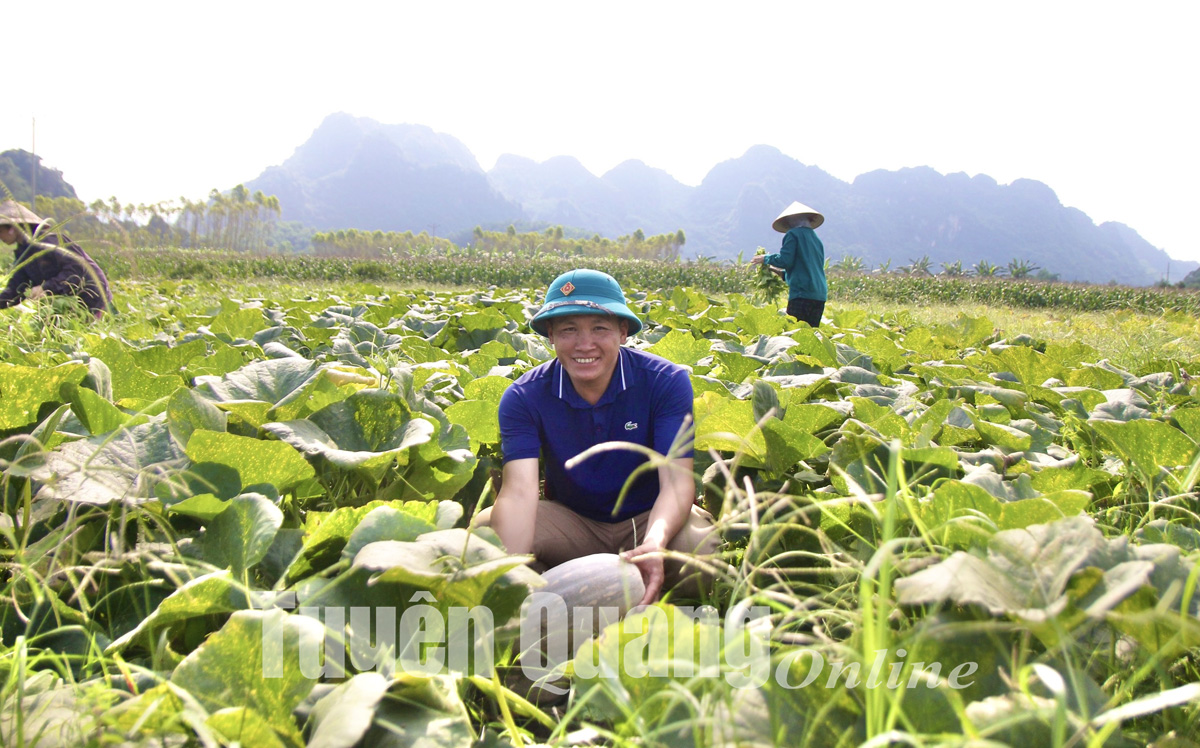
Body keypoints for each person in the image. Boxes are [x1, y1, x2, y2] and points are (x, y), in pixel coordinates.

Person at [473, 269, 717, 606]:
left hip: (648, 516)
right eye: (569, 329)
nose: (584, 344)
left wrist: (655, 542)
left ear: (623, 332)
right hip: (573, 522)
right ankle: (543, 601)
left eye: (599, 328)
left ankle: (657, 610)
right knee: (489, 534)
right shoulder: (524, 396)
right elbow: (518, 493)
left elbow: (676, 483)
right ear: (550, 336)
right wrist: (504, 576)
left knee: (700, 550)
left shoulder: (665, 381)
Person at [0, 200, 112, 319]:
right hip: (66, 303)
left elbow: (77, 267)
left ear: (12, 228)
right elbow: (17, 288)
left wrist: (46, 288)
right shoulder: (24, 252)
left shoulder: (47, 241)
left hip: (93, 299)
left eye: (0, 231)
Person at [751, 201, 827, 327]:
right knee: (810, 335)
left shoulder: (793, 234)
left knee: (794, 334)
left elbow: (785, 261)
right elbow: (803, 270)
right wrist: (771, 269)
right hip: (819, 295)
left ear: (793, 219)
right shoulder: (816, 240)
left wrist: (766, 258)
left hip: (801, 295)